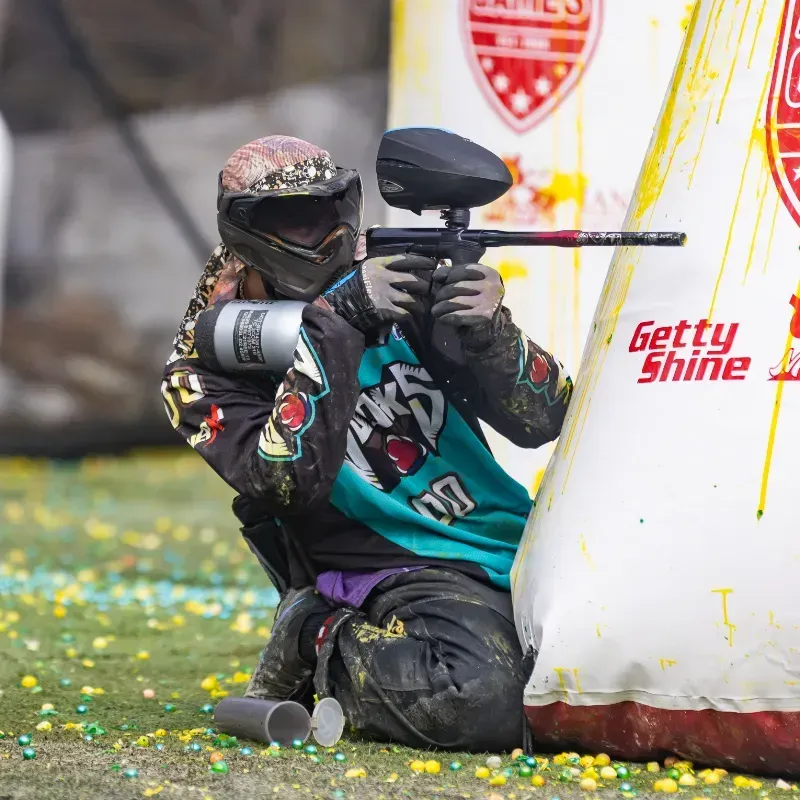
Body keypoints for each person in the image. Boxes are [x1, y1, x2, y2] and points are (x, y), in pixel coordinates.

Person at [162, 135, 572, 751]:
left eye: (330, 212)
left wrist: (491, 333)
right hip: (389, 568)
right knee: (480, 704)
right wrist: (340, 323)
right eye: (296, 220)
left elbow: (544, 419)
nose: (322, 235)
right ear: (246, 230)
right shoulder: (200, 369)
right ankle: (318, 634)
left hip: (508, 537)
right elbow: (285, 482)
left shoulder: (393, 284)